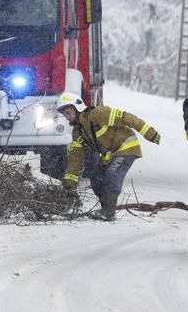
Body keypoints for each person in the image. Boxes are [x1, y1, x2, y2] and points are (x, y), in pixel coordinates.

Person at [56, 91, 161, 221]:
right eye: (64, 115)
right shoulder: (78, 132)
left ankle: (108, 212)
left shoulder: (98, 114)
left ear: (77, 107)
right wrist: (69, 186)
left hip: (127, 146)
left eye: (68, 113)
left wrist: (150, 134)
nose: (67, 117)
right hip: (111, 153)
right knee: (96, 178)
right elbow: (75, 159)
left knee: (112, 175)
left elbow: (128, 118)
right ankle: (106, 208)